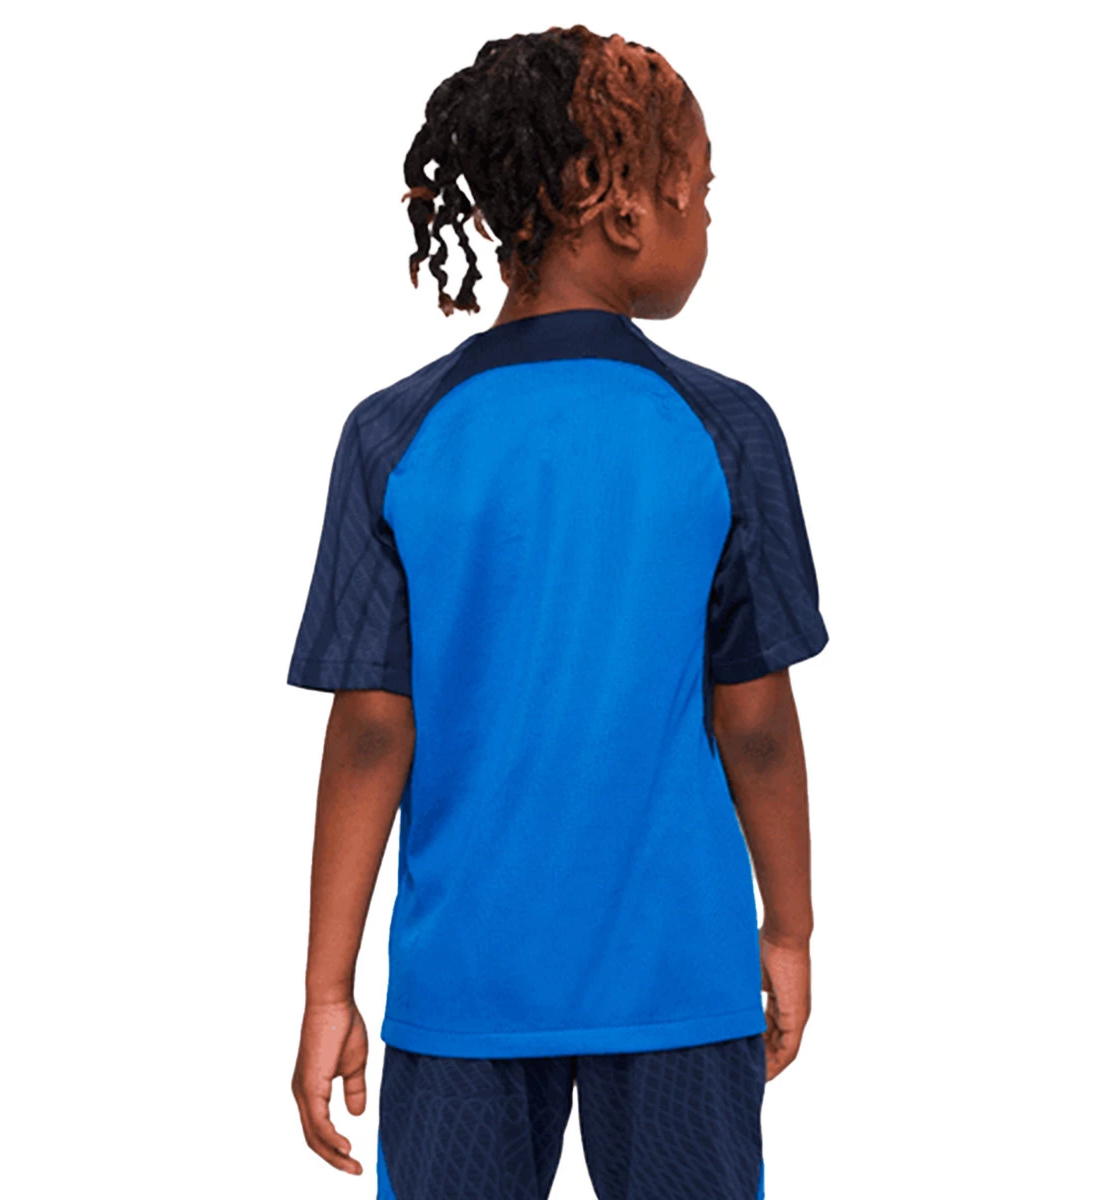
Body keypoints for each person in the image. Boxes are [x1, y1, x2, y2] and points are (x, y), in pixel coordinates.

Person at [286, 25, 829, 1200]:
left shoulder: (396, 436)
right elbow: (757, 723)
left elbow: (373, 731)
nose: (706, 218)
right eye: (698, 188)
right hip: (679, 979)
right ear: (617, 203)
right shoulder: (725, 431)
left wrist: (330, 988)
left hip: (464, 986)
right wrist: (788, 927)